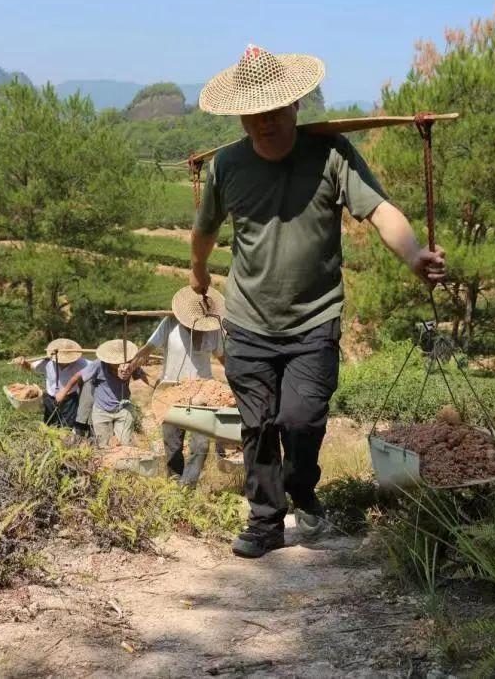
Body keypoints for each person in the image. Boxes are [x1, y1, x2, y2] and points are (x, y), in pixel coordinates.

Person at [191, 45, 447, 558]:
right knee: (259, 425)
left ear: (294, 106)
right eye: (253, 112)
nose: (264, 122)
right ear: (240, 114)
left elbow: (381, 213)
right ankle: (265, 521)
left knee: (301, 420)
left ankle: (302, 490)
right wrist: (198, 276)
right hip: (247, 320)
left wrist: (414, 254)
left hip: (314, 319)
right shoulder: (227, 166)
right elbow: (204, 232)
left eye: (274, 110)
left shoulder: (331, 155)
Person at [119, 286, 226, 486]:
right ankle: (174, 486)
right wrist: (130, 365)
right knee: (172, 444)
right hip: (171, 391)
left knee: (201, 445)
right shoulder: (170, 324)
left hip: (202, 392)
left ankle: (186, 487)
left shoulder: (213, 329)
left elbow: (223, 358)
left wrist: (240, 379)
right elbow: (146, 350)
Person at [56, 339, 146, 448]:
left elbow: (141, 376)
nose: (119, 366)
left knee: (125, 444)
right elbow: (78, 376)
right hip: (102, 411)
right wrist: (64, 391)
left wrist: (156, 385)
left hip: (123, 409)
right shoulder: (98, 365)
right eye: (115, 364)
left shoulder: (131, 364)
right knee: (103, 445)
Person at [13, 338, 90, 433]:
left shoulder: (82, 363)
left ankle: (66, 444)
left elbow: (98, 366)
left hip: (70, 400)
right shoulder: (46, 362)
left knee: (67, 428)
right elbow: (30, 367)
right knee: (50, 427)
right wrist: (23, 362)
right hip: (50, 399)